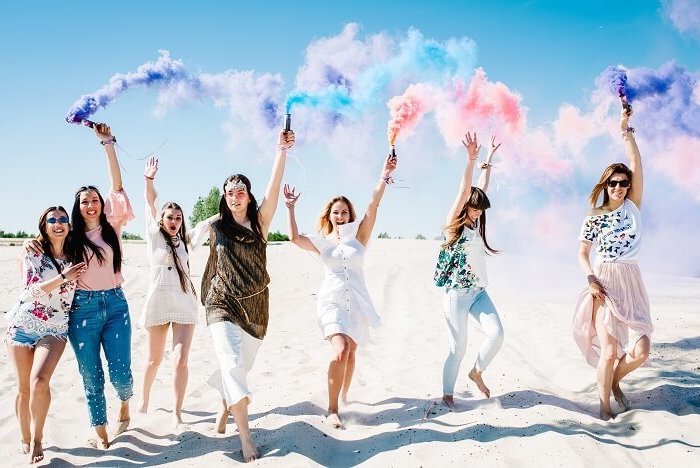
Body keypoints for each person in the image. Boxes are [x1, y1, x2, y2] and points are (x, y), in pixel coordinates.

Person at [26, 123, 135, 448]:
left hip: (116, 305)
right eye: (85, 201)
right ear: (78, 207)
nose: (91, 204)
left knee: (120, 375)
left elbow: (116, 184)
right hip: (82, 310)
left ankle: (125, 404)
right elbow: (47, 235)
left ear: (102, 204)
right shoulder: (70, 236)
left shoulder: (112, 225)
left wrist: (107, 143)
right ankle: (100, 431)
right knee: (91, 376)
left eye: (95, 200)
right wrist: (29, 243)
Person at [283, 152, 398, 428]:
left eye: (344, 211)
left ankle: (344, 395)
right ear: (329, 215)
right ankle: (332, 408)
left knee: (351, 353)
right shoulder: (322, 242)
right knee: (340, 349)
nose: (340, 215)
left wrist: (383, 175)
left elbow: (373, 205)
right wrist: (289, 208)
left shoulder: (359, 237)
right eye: (336, 211)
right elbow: (294, 238)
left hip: (357, 303)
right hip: (331, 301)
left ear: (349, 215)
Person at [201, 128, 294, 462]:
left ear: (249, 196)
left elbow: (273, 186)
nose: (235, 196)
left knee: (241, 366)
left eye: (241, 191)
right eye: (229, 192)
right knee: (231, 362)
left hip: (255, 306)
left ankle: (226, 405)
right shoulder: (215, 227)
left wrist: (280, 150)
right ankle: (246, 437)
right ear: (224, 198)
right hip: (221, 303)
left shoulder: (260, 223)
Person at [573, 107, 652, 421]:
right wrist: (591, 279)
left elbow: (637, 164)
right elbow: (582, 254)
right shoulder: (594, 216)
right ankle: (605, 407)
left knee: (642, 351)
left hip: (632, 281)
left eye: (623, 183)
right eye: (613, 183)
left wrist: (625, 129)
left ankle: (615, 379)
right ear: (605, 185)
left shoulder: (634, 206)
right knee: (607, 352)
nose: (619, 187)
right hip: (604, 282)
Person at [139, 157, 215, 428]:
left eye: (178, 218)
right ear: (162, 219)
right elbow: (150, 203)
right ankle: (145, 398)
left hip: (184, 302)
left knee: (181, 359)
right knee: (153, 359)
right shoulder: (154, 237)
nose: (173, 221)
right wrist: (149, 181)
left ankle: (177, 411)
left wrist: (230, 208)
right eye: (169, 217)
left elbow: (208, 222)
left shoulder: (187, 241)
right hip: (159, 302)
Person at [7, 207, 86, 463]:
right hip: (22, 324)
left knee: (39, 380)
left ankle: (38, 441)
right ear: (44, 226)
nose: (58, 223)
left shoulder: (76, 254)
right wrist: (63, 278)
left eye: (63, 219)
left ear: (69, 226)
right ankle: (24, 438)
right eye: (52, 220)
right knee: (23, 387)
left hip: (55, 328)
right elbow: (30, 291)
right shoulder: (33, 252)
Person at [433, 132, 504, 410]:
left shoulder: (475, 224)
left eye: (479, 209)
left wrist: (488, 159)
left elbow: (480, 187)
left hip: (478, 292)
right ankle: (447, 394)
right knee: (457, 347)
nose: (476, 213)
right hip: (456, 295)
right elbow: (465, 191)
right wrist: (471, 160)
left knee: (497, 334)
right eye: (473, 209)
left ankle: (476, 372)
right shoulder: (454, 224)